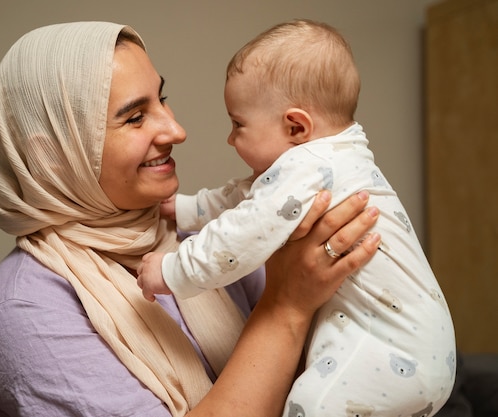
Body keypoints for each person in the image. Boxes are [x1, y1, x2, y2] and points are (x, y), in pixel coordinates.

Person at [0, 21, 381, 417]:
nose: (176, 130)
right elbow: (287, 322)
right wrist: (287, 305)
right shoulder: (25, 310)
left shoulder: (206, 241)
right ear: (49, 159)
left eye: (161, 99)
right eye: (135, 116)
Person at [136, 19, 456, 417]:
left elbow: (240, 236)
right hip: (416, 345)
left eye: (238, 124)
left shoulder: (308, 167)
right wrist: (184, 208)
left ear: (296, 126)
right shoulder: (337, 155)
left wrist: (170, 272)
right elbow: (246, 196)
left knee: (309, 406)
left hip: (386, 344)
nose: (231, 138)